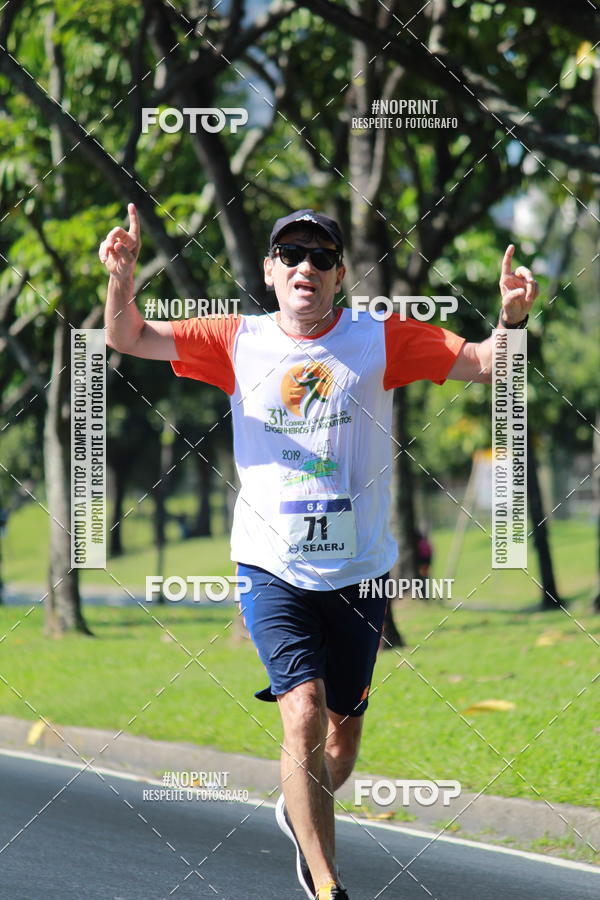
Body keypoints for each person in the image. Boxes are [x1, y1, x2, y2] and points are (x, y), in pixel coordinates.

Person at [100, 204, 538, 899]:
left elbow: (487, 364)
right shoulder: (235, 339)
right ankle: (328, 883)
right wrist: (122, 278)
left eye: (322, 256)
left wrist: (511, 320)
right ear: (270, 271)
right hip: (270, 566)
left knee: (341, 742)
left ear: (339, 274)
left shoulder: (378, 338)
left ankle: (297, 805)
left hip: (360, 571)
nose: (306, 265)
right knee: (301, 709)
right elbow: (126, 335)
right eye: (291, 254)